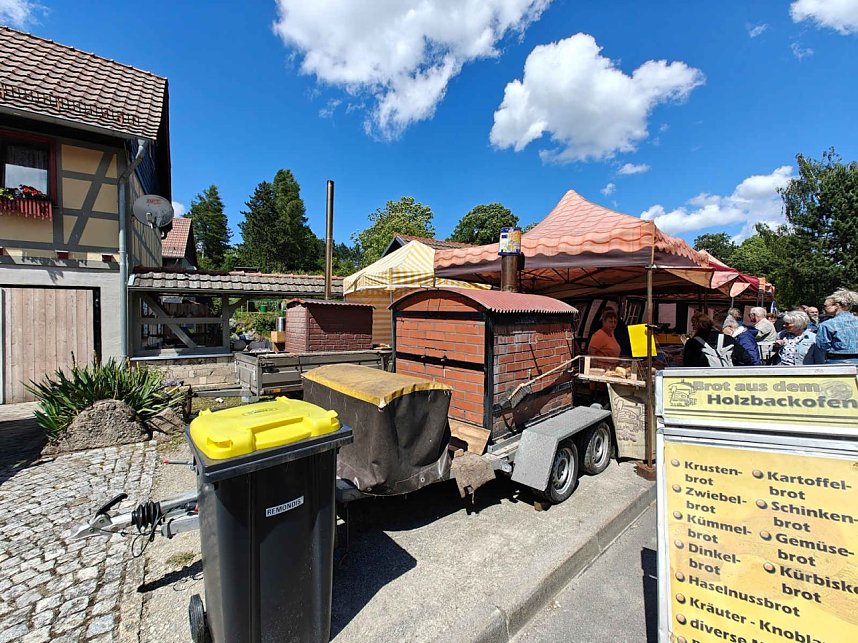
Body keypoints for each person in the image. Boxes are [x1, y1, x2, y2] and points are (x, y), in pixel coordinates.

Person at [816, 289, 858, 364]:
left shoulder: (827, 325)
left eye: (825, 306)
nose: (824, 308)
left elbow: (822, 346)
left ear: (836, 306)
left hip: (836, 362)